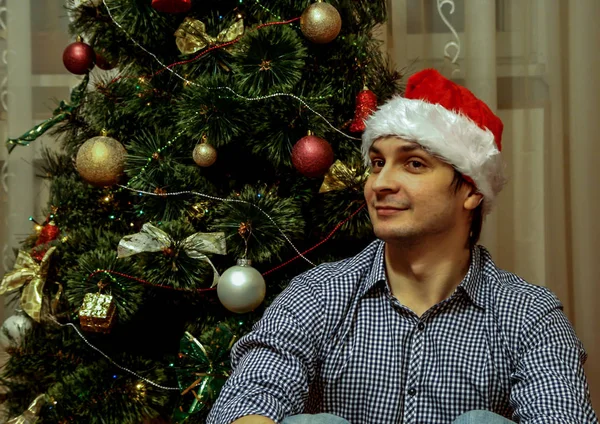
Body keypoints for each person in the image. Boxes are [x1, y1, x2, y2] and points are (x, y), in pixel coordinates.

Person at [206, 69, 598, 424]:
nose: (379, 184)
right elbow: (245, 402)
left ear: (472, 191)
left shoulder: (529, 315)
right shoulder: (319, 294)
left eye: (413, 164)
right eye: (377, 163)